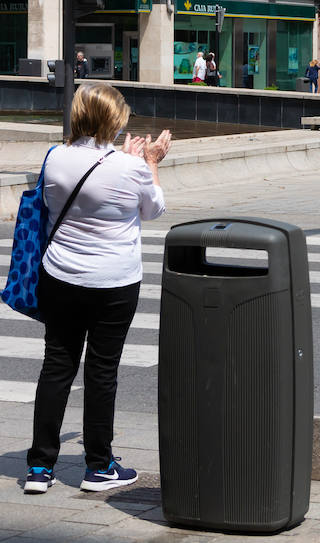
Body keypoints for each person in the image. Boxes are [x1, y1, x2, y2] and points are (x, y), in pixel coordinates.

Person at [22, 83, 169, 495]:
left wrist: (127, 160)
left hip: (59, 275)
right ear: (114, 120)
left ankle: (38, 467)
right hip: (113, 282)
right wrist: (151, 161)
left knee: (57, 366)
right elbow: (153, 208)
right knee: (101, 372)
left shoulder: (54, 158)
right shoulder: (130, 166)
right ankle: (98, 465)